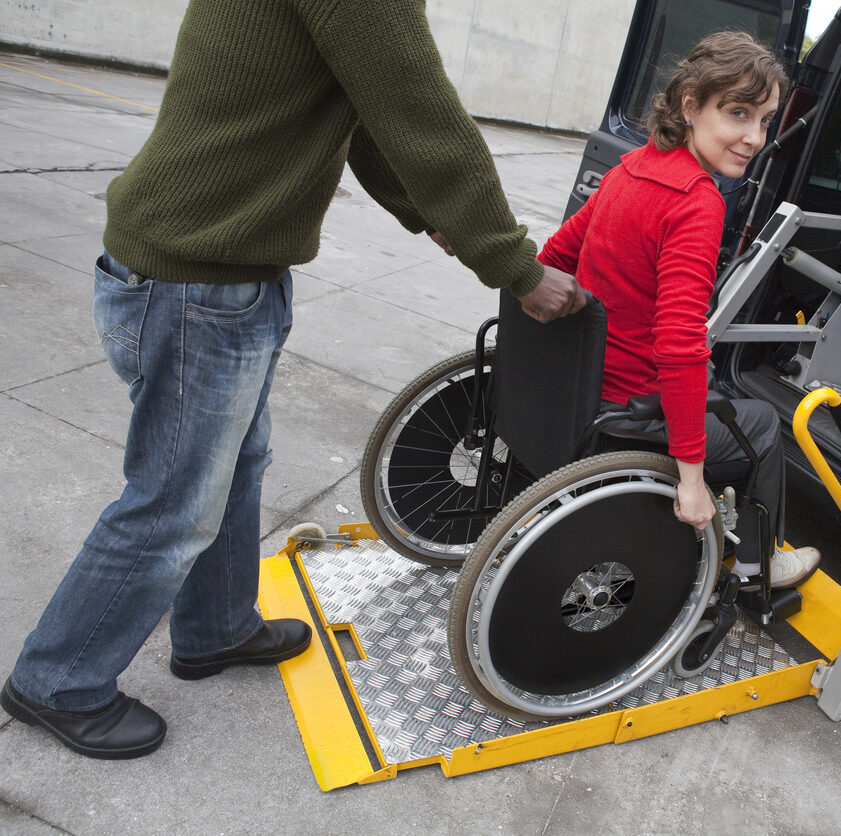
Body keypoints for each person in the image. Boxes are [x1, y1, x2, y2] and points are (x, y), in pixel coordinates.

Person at [0, 0, 583, 760]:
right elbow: (420, 116)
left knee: (237, 468)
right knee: (173, 504)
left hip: (215, 273)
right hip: (196, 283)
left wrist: (435, 220)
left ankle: (214, 629)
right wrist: (510, 264)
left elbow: (372, 122)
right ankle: (57, 681)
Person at [537, 31, 820, 587]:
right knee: (761, 423)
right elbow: (678, 347)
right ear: (690, 104)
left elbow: (553, 258)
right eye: (738, 113)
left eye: (764, 121)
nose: (753, 137)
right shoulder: (696, 201)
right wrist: (691, 478)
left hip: (575, 386)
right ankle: (760, 565)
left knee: (719, 394)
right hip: (627, 413)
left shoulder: (629, 167)